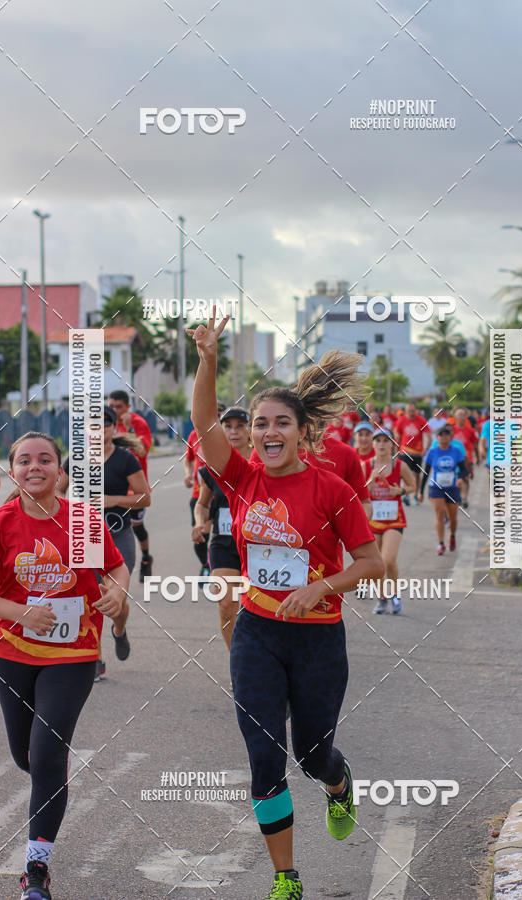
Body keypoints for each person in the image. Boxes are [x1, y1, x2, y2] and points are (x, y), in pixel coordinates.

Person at [189, 316, 384, 900]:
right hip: (257, 633)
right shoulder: (242, 478)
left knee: (311, 753)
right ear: (249, 434)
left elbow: (371, 561)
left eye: (280, 423)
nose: (268, 432)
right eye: (258, 424)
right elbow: (201, 420)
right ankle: (286, 878)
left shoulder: (331, 489)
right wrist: (207, 358)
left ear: (302, 433)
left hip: (318, 638)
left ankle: (338, 781)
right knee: (263, 752)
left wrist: (321, 588)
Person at [0, 432, 127, 899]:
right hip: (12, 653)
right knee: (25, 757)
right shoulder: (3, 522)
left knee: (48, 757)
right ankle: (51, 778)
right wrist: (21, 614)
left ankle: (37, 868)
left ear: (59, 469)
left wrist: (117, 591)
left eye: (45, 459)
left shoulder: (82, 520)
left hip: (73, 654)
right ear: (13, 470)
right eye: (25, 460)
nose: (35, 467)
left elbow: (115, 568)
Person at [59, 406, 150, 681]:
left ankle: (119, 631)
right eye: (94, 425)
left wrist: (114, 500)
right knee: (91, 596)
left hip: (118, 534)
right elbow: (57, 493)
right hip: (84, 538)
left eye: (105, 424)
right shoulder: (73, 459)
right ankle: (95, 658)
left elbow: (145, 498)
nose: (100, 429)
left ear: (113, 428)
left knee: (116, 600)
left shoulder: (126, 460)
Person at [193, 407, 252, 651]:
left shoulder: (265, 465)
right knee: (226, 604)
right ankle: (238, 662)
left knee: (257, 608)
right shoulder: (211, 469)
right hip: (224, 542)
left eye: (240, 426)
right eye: (228, 426)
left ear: (250, 430)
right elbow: (203, 503)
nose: (234, 431)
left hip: (259, 546)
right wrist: (199, 522)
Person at [363, 429, 416, 614]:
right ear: (373, 444)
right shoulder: (366, 465)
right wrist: (371, 479)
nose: (382, 444)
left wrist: (400, 491)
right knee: (377, 565)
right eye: (378, 440)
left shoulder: (399, 466)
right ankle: (382, 598)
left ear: (393, 444)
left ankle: (394, 593)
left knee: (388, 560)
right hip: (373, 520)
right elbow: (358, 492)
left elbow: (413, 486)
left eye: (386, 440)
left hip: (394, 520)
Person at [108, 390, 154, 581]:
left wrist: (129, 429)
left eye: (118, 407)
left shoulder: (138, 423)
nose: (115, 410)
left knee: (136, 526)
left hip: (133, 490)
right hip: (111, 489)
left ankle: (145, 557)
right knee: (108, 527)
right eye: (111, 406)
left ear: (128, 407)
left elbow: (142, 451)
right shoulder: (106, 424)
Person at [418, 426, 468, 554]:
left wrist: (462, 478)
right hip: (436, 488)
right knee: (439, 514)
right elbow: (426, 472)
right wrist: (421, 491)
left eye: (446, 434)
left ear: (450, 437)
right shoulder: (432, 452)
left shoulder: (456, 451)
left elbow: (463, 469)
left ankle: (452, 535)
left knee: (453, 518)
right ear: (437, 437)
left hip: (452, 487)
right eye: (441, 434)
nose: (444, 437)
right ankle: (440, 543)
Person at [184, 427, 210, 578]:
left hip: (221, 496)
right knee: (199, 536)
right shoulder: (193, 435)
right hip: (198, 494)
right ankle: (206, 565)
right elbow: (188, 460)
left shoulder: (224, 433)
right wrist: (188, 475)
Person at [393, 402, 430, 503]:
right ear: (406, 411)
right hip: (405, 451)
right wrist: (396, 451)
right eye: (409, 411)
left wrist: (425, 450)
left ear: (416, 410)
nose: (411, 413)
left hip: (417, 453)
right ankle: (406, 495)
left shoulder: (421, 420)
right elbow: (397, 436)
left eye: (413, 411)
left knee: (417, 475)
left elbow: (428, 436)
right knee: (406, 473)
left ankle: (416, 494)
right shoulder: (401, 420)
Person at [451, 408, 478, 509]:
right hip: (453, 459)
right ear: (455, 417)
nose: (461, 417)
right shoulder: (451, 430)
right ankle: (457, 497)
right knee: (457, 480)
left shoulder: (470, 430)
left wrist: (478, 457)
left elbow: (475, 444)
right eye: (459, 415)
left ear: (466, 417)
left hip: (467, 458)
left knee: (465, 478)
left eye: (463, 415)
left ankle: (464, 498)